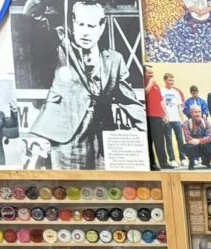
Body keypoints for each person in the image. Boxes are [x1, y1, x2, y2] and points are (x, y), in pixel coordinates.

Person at [25, 0, 145, 169]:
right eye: (81, 24)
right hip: (63, 135)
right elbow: (32, 17)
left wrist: (147, 134)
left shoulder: (114, 59)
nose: (85, 32)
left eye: (91, 26)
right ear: (73, 23)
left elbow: (129, 101)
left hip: (101, 138)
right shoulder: (60, 45)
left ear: (101, 27)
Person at [144, 66, 173, 169]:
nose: (151, 75)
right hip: (148, 116)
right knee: (149, 142)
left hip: (158, 116)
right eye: (149, 73)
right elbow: (144, 93)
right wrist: (150, 84)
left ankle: (164, 163)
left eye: (152, 73)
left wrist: (165, 113)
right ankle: (152, 164)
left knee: (160, 141)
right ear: (144, 73)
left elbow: (161, 100)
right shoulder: (144, 82)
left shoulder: (155, 85)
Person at [160, 72, 186, 161]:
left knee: (180, 139)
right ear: (165, 80)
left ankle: (183, 158)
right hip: (167, 119)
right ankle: (172, 160)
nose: (172, 82)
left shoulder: (175, 92)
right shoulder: (161, 91)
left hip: (176, 119)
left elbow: (179, 107)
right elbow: (159, 105)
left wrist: (182, 119)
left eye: (173, 80)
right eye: (170, 80)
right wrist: (164, 116)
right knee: (169, 140)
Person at [181, 103, 211, 168]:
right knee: (188, 147)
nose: (198, 114)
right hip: (193, 145)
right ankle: (191, 162)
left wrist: (199, 141)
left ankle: (206, 162)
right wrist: (195, 141)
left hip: (203, 144)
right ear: (191, 113)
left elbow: (210, 136)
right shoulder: (186, 123)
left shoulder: (206, 123)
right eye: (195, 112)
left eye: (199, 112)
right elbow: (187, 138)